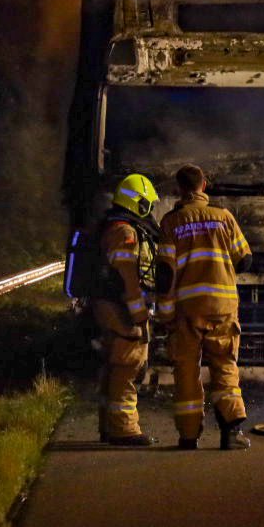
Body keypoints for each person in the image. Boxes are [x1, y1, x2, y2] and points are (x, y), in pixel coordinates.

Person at [157, 164, 252, 450]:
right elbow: (245, 258)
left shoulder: (171, 222)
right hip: (223, 306)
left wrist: (164, 312)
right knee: (224, 365)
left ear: (179, 189)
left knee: (186, 370)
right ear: (204, 185)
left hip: (188, 308)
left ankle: (188, 436)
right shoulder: (224, 217)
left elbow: (165, 272)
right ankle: (231, 433)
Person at [94, 173, 162, 447]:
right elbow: (129, 278)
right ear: (139, 203)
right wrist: (139, 313)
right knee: (128, 366)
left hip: (111, 305)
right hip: (120, 309)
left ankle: (110, 427)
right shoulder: (125, 232)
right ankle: (124, 429)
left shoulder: (117, 226)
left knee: (115, 368)